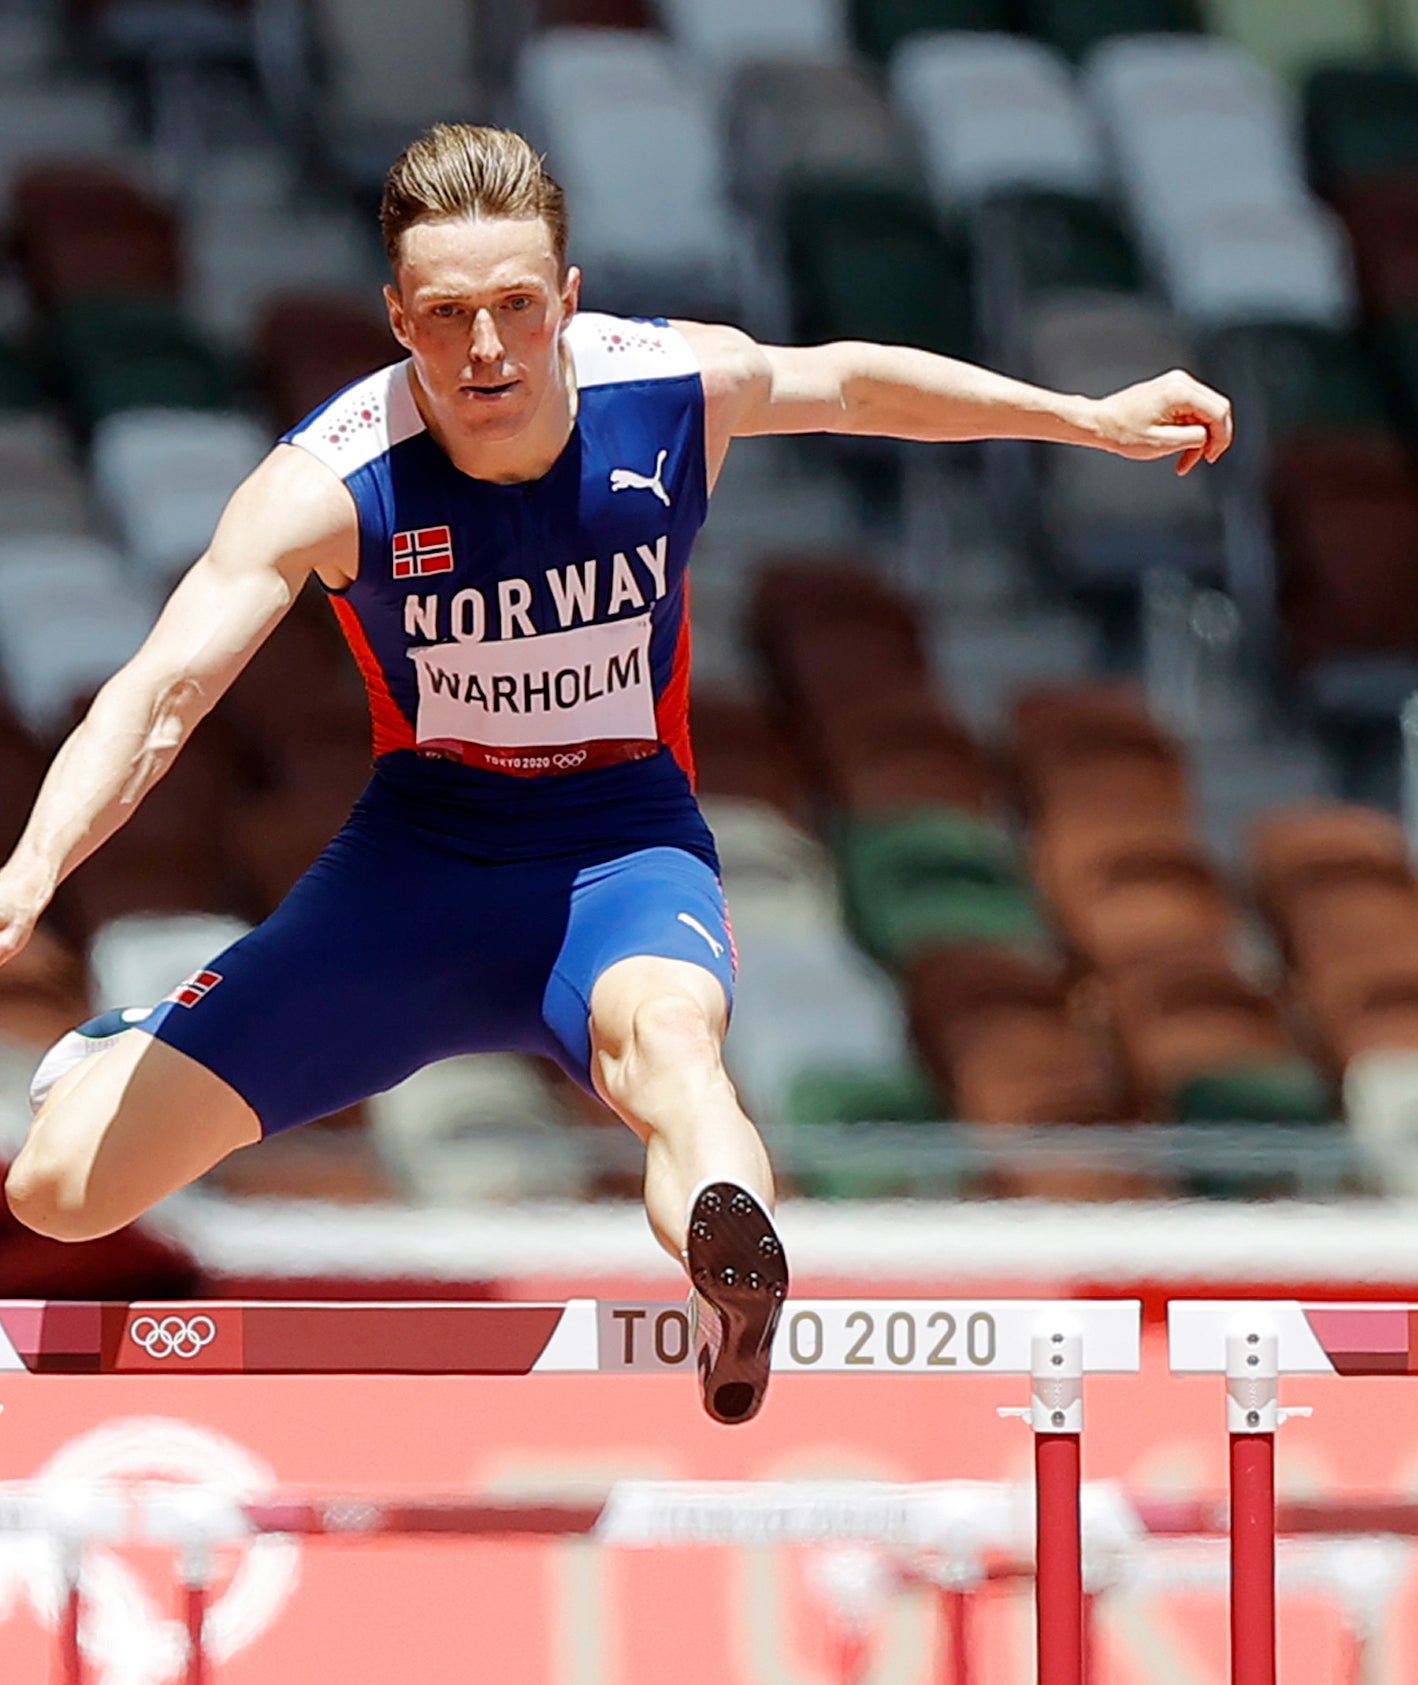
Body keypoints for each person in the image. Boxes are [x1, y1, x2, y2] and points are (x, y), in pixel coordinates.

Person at [0, 124, 1232, 1426]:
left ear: (566, 301)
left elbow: (854, 383)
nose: (486, 349)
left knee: (674, 1049)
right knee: (59, 1191)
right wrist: (28, 872)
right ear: (397, 319)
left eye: (516, 308)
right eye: (448, 315)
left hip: (618, 852)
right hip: (415, 879)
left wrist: (1082, 418)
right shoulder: (331, 479)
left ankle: (732, 1265)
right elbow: (159, 697)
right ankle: (120, 1050)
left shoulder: (669, 388)